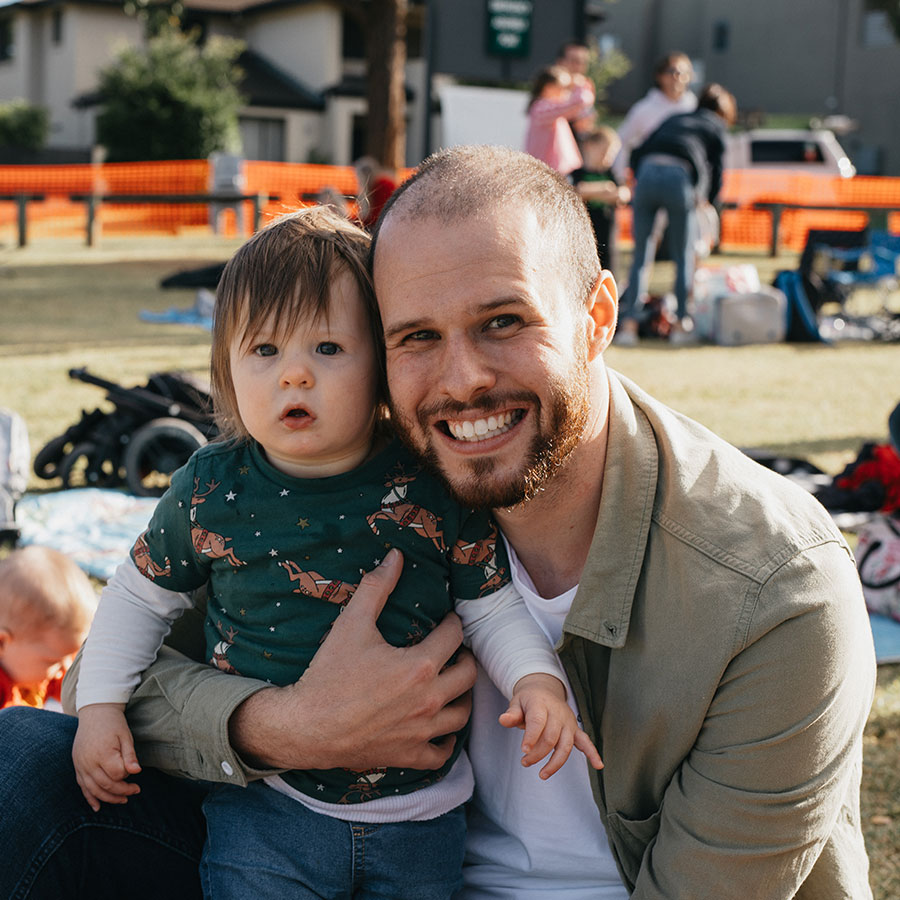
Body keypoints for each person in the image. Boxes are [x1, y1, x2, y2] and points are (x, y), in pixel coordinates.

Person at [0, 145, 876, 900]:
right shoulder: (326, 491)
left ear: (598, 318)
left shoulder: (775, 590)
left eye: (504, 321)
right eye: (416, 336)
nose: (462, 381)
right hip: (307, 852)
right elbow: (104, 686)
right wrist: (290, 726)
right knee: (23, 763)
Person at [69, 206, 600, 899]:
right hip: (266, 810)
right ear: (225, 368)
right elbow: (138, 598)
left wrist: (536, 681)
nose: (294, 375)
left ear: (382, 365)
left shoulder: (430, 480)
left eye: (327, 348)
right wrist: (100, 707)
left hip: (423, 821)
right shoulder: (210, 490)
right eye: (265, 350)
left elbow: (489, 604)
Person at [616, 83, 737, 346]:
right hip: (679, 177)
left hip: (646, 173)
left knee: (641, 255)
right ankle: (681, 324)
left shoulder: (676, 117)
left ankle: (629, 326)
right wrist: (709, 200)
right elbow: (717, 169)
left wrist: (637, 177)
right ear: (723, 112)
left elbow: (639, 149)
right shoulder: (715, 125)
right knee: (683, 254)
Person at [0, 545, 96, 710]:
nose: (66, 668)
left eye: (71, 656)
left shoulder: (48, 657)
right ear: (2, 643)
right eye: (53, 662)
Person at [611, 51, 697, 183]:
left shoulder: (695, 108)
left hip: (687, 179)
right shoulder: (644, 109)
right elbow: (622, 141)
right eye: (671, 71)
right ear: (660, 76)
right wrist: (620, 177)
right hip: (650, 177)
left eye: (682, 73)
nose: (677, 77)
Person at [570, 126, 631, 277]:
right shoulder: (577, 174)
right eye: (604, 152)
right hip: (584, 235)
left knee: (608, 271)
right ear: (589, 147)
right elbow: (578, 191)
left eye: (611, 155)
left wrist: (592, 193)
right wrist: (605, 189)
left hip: (608, 237)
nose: (608, 158)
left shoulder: (611, 174)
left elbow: (623, 195)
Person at [524, 65, 595, 177]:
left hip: (551, 171)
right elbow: (580, 101)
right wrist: (579, 85)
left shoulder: (550, 109)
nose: (566, 93)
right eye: (563, 88)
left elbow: (582, 107)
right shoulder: (541, 108)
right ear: (548, 88)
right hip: (544, 172)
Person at [554, 40, 597, 142]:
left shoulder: (586, 86)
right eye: (574, 61)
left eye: (584, 62)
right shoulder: (550, 87)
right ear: (560, 62)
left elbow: (586, 123)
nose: (579, 67)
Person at [354, 156, 398, 230]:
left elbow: (378, 215)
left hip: (386, 224)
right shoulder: (376, 184)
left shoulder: (383, 185)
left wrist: (355, 222)